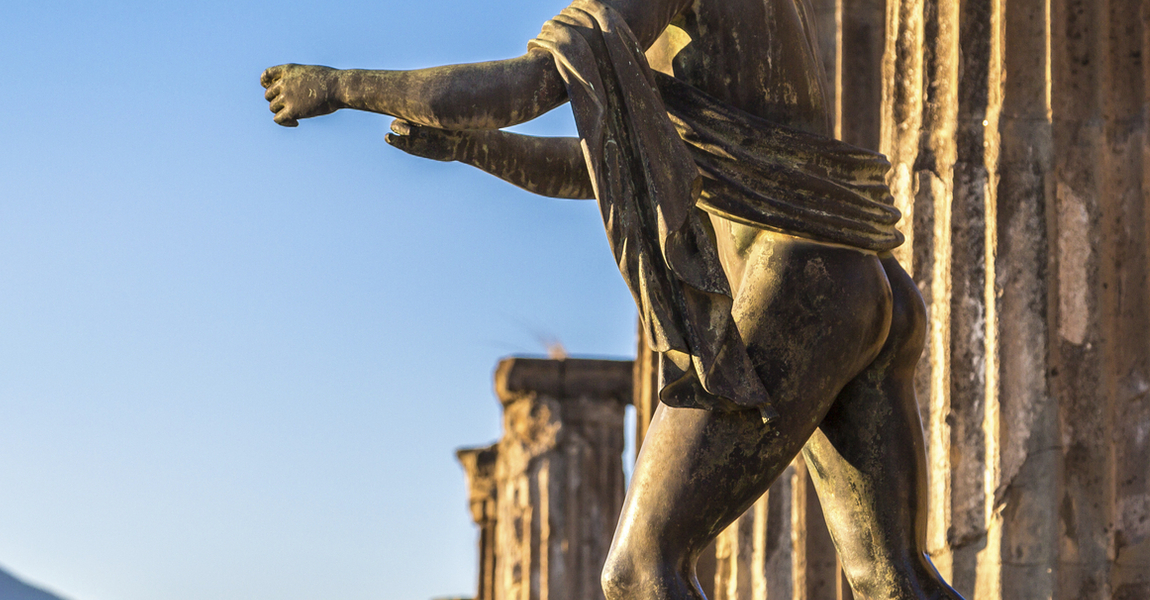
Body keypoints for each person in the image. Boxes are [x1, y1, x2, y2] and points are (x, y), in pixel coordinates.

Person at [262, 0, 963, 598]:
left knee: (639, 570)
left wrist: (340, 84)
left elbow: (527, 86)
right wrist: (478, 151)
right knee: (890, 575)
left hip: (794, 286)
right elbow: (618, 169)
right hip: (858, 282)